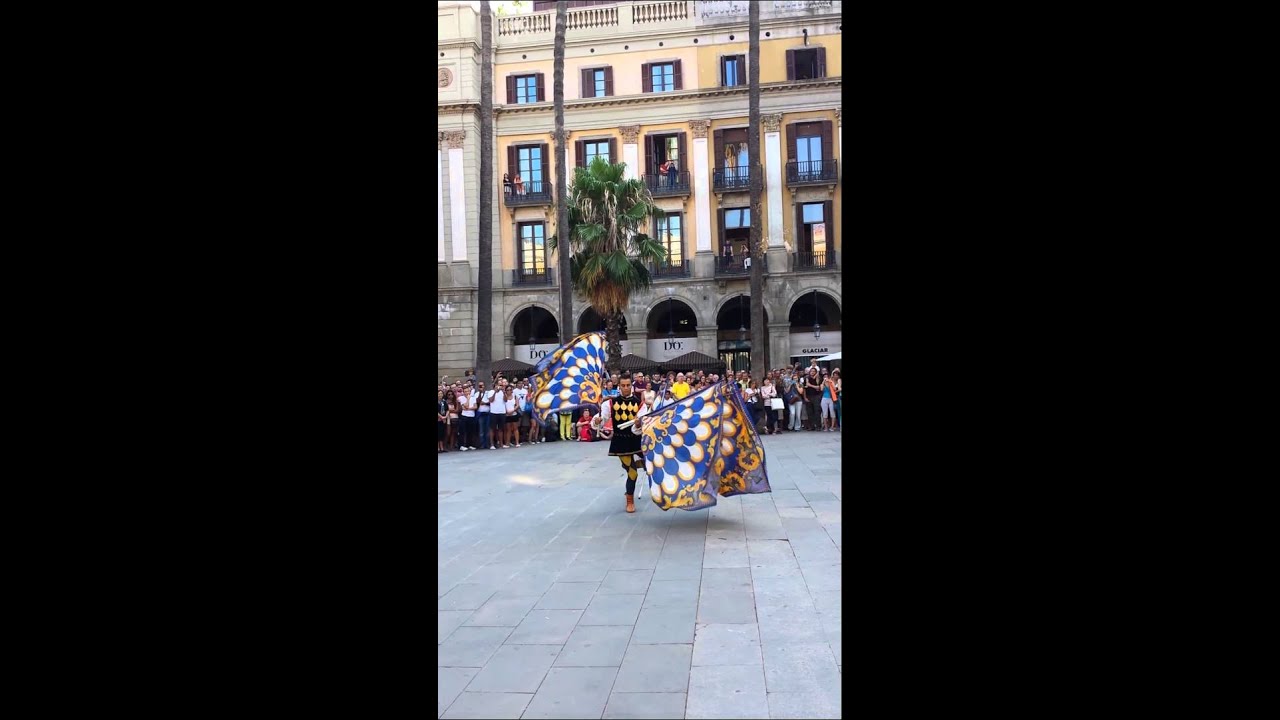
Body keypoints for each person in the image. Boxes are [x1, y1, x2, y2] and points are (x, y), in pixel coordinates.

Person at [602, 373, 645, 513]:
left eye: (628, 385)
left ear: (631, 386)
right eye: (623, 386)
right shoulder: (610, 403)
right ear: (619, 386)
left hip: (637, 441)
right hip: (621, 442)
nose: (626, 388)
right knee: (632, 473)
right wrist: (597, 421)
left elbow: (643, 423)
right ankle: (630, 500)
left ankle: (637, 464)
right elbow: (602, 418)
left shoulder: (640, 403)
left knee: (652, 464)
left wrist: (639, 424)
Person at [488, 381, 507, 449]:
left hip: (502, 412)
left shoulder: (503, 392)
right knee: (492, 429)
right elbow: (491, 400)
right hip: (493, 412)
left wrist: (504, 392)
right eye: (499, 385)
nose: (500, 386)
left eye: (501, 385)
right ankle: (492, 444)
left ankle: (501, 444)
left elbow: (505, 400)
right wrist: (495, 392)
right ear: (495, 385)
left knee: (501, 429)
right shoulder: (491, 392)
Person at [460, 383, 479, 451]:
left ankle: (470, 444)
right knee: (463, 431)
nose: (466, 393)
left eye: (468, 391)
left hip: (471, 416)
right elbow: (464, 406)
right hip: (464, 416)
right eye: (465, 391)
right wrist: (467, 399)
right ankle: (462, 445)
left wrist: (469, 408)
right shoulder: (461, 398)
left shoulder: (473, 398)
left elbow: (475, 407)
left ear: (470, 392)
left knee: (471, 431)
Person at [477, 381, 493, 449]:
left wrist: (485, 403)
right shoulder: (477, 393)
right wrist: (480, 393)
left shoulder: (488, 393)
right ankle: (482, 444)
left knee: (487, 429)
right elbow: (477, 401)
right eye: (480, 386)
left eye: (482, 385)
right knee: (481, 430)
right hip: (481, 413)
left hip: (487, 413)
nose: (481, 387)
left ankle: (487, 444)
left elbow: (491, 402)